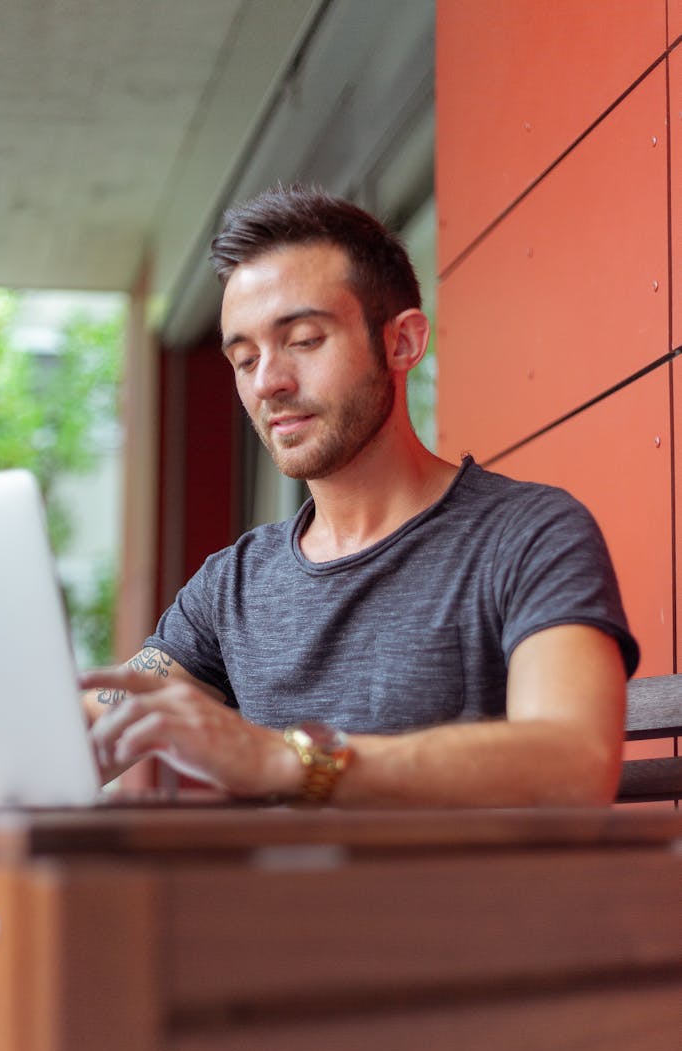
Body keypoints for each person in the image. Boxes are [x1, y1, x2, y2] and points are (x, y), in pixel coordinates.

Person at [82, 183, 638, 807]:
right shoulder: (232, 585)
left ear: (401, 342)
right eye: (243, 358)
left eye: (304, 340)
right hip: (267, 904)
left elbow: (575, 761)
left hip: (459, 905)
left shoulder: (529, 534)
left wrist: (289, 761)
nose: (268, 382)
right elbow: (107, 713)